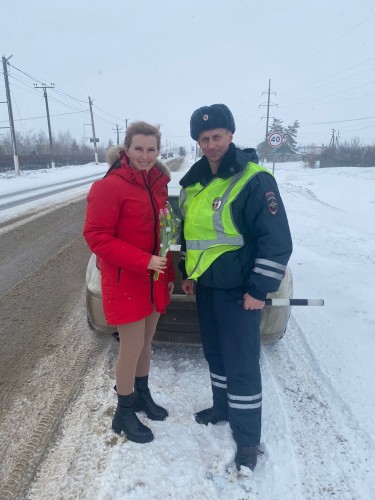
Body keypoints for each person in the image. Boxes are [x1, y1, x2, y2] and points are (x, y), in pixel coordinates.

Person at [178, 104, 293, 471]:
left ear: (230, 135)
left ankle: (247, 441)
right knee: (215, 354)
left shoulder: (254, 179)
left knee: (242, 364)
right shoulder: (194, 183)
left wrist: (259, 290)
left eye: (217, 137)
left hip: (240, 293)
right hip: (208, 289)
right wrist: (188, 273)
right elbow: (191, 235)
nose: (211, 145)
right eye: (204, 139)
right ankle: (222, 407)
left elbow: (276, 241)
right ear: (197, 141)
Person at [83, 121, 175, 444]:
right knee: (131, 346)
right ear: (126, 149)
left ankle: (141, 394)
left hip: (154, 279)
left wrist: (168, 274)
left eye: (152, 149)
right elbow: (97, 238)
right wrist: (143, 261)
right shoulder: (110, 186)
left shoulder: (158, 184)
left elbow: (164, 234)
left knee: (147, 341)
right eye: (139, 148)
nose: (145, 155)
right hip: (126, 280)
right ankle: (123, 412)